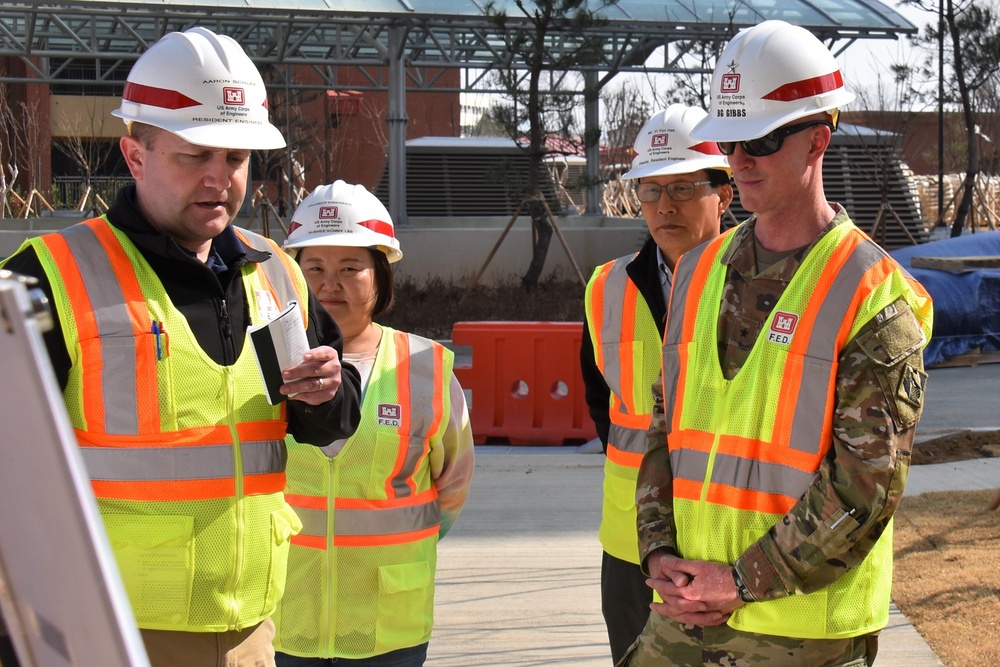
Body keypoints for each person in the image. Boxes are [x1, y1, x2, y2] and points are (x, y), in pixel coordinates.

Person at [1, 27, 362, 667]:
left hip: (250, 631)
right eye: (195, 155)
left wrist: (327, 394)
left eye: (237, 158)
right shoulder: (48, 278)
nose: (220, 179)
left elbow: (332, 418)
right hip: (108, 638)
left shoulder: (275, 271)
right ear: (135, 156)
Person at [620, 20, 934, 667]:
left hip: (802, 631)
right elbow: (663, 431)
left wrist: (736, 580)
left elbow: (864, 490)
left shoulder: (875, 298)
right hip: (685, 610)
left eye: (760, 140)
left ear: (818, 139)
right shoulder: (698, 273)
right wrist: (660, 553)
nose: (739, 161)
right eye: (731, 141)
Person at [272, 181, 475, 667]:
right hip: (283, 615)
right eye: (314, 267)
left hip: (388, 624)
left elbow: (453, 487)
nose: (329, 284)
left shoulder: (423, 366)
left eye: (350, 268)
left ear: (381, 275)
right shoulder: (262, 361)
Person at [580, 104, 734, 664]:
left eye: (685, 187)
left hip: (729, 542)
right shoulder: (607, 287)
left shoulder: (766, 286)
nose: (665, 204)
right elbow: (602, 400)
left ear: (725, 194)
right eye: (650, 189)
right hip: (631, 547)